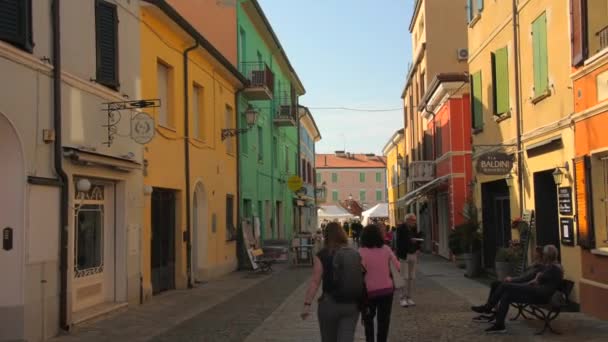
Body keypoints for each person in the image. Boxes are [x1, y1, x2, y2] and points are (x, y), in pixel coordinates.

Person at [477, 245, 564, 334]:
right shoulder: (550, 267)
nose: (543, 256)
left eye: (544, 255)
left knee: (505, 286)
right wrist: (537, 277)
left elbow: (539, 279)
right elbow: (537, 279)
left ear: (548, 256)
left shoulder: (554, 268)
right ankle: (499, 325)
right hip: (535, 291)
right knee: (507, 295)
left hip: (540, 295)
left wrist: (537, 277)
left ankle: (488, 307)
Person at [302, 222, 360, 342]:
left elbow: (315, 281)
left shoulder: (322, 255)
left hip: (329, 304)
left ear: (326, 236)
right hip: (351, 304)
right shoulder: (354, 253)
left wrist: (307, 305)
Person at [471, 246, 545, 322]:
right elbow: (523, 277)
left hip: (521, 287)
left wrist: (512, 279)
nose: (533, 254)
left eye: (535, 252)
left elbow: (524, 279)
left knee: (500, 286)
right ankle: (488, 308)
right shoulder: (534, 265)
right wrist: (513, 278)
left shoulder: (539, 267)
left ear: (539, 255)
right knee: (495, 284)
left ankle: (488, 308)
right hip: (519, 284)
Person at [358, 224, 400, 342]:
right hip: (386, 290)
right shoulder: (386, 249)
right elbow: (397, 266)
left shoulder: (361, 251)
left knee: (368, 320)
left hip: (368, 292)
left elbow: (359, 271)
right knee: (384, 321)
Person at [395, 214, 422, 307]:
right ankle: (402, 298)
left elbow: (417, 240)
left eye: (415, 220)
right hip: (404, 255)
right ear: (407, 220)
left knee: (411, 277)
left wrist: (418, 248)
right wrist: (410, 241)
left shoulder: (414, 228)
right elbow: (399, 242)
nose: (414, 222)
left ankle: (409, 297)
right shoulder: (400, 229)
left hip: (413, 254)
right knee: (404, 277)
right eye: (413, 220)